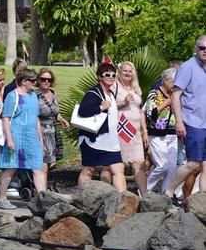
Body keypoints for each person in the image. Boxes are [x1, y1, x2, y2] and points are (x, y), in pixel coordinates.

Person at [0, 68, 46, 209]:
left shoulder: (34, 96)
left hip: (31, 136)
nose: (35, 83)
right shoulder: (13, 96)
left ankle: (43, 200)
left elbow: (36, 118)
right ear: (24, 81)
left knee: (37, 167)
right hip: (16, 134)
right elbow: (5, 118)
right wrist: (10, 140)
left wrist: (40, 139)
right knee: (11, 167)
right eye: (32, 81)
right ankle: (2, 198)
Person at [164, 36, 206, 202]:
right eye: (202, 48)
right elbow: (175, 95)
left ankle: (203, 200)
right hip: (192, 122)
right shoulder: (188, 67)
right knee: (194, 163)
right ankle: (169, 191)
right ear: (196, 49)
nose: (205, 51)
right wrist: (179, 122)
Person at [76, 62, 126, 192]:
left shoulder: (111, 93)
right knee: (88, 169)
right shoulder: (93, 92)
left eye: (113, 75)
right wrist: (100, 107)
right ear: (100, 77)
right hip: (93, 139)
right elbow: (83, 111)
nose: (111, 77)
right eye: (107, 74)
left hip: (111, 140)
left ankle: (123, 199)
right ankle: (83, 198)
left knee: (118, 169)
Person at [113, 61, 147, 195]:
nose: (127, 73)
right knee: (117, 164)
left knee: (139, 163)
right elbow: (107, 106)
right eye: (125, 71)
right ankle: (121, 195)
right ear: (119, 72)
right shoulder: (114, 87)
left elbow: (140, 111)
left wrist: (144, 131)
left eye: (130, 71)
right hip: (121, 129)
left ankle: (144, 194)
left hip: (136, 131)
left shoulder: (136, 89)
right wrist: (123, 102)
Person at [144, 68, 177, 194]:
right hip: (157, 134)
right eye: (172, 81)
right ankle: (145, 189)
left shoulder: (176, 94)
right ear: (164, 80)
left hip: (173, 134)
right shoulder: (154, 94)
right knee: (162, 165)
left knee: (172, 168)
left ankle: (166, 194)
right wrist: (167, 102)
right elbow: (149, 114)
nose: (175, 84)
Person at [36, 68, 69, 183]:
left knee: (50, 165)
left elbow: (55, 112)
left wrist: (62, 120)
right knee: (43, 165)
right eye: (43, 79)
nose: (46, 82)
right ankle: (41, 191)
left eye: (49, 80)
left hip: (52, 133)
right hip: (40, 132)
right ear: (38, 80)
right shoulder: (35, 96)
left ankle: (43, 188)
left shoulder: (53, 94)